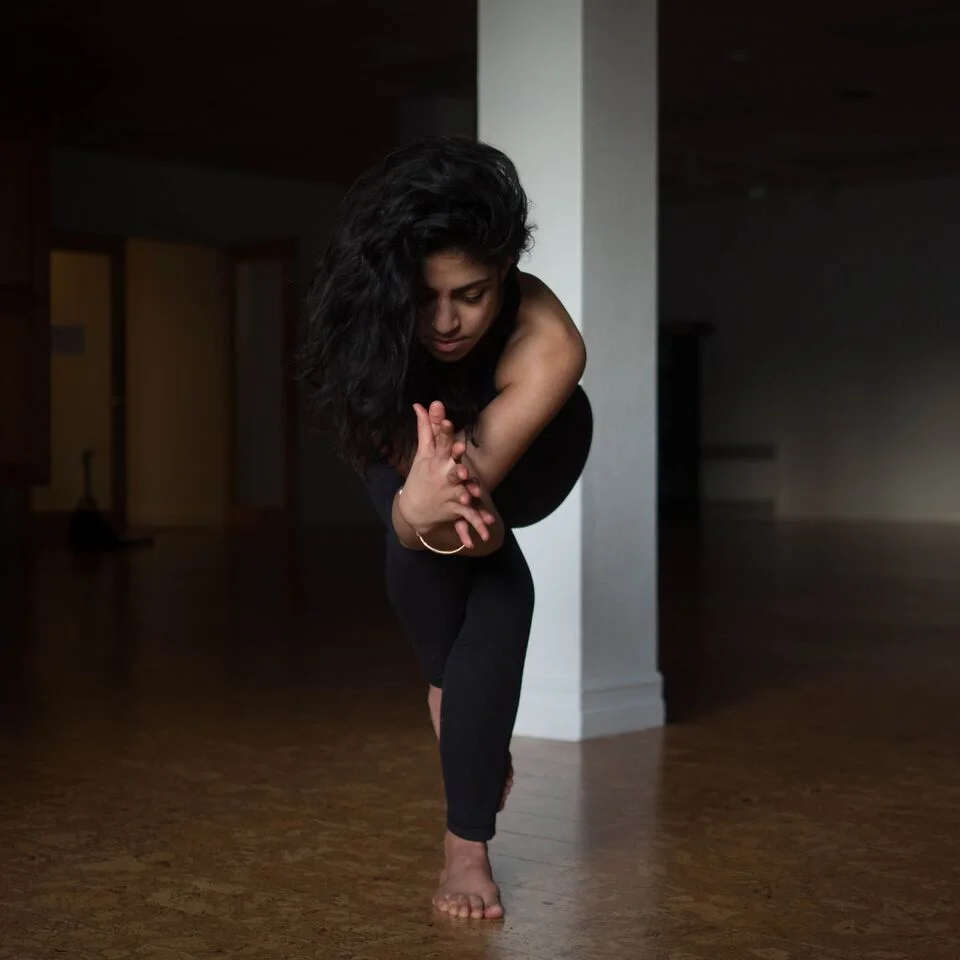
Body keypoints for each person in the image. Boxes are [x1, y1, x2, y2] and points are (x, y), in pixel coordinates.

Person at [300, 136, 592, 920]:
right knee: (494, 595)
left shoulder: (549, 341)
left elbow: (471, 508)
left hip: (533, 458)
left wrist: (452, 513)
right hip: (411, 442)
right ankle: (467, 844)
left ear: (507, 270)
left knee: (471, 555)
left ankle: (454, 709)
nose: (445, 322)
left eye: (470, 294)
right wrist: (411, 508)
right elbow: (416, 517)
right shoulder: (367, 333)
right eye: (423, 297)